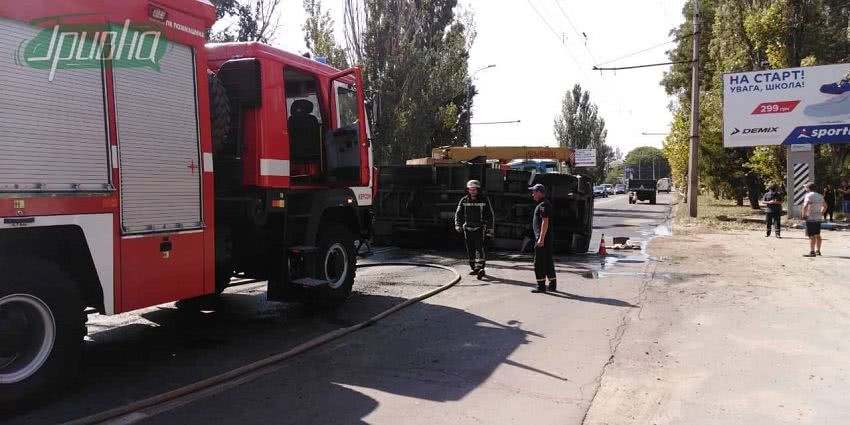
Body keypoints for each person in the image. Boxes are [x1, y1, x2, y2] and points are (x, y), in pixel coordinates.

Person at [454, 180, 494, 278]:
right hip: (467, 228)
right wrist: (457, 225)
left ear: (478, 190)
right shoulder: (463, 200)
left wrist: (490, 229)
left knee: (479, 248)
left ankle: (479, 268)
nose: (472, 191)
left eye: (474, 190)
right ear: (468, 190)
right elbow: (458, 214)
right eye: (470, 189)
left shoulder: (484, 200)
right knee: (470, 249)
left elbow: (490, 215)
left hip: (480, 228)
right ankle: (474, 268)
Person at [529, 184, 557, 293]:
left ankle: (541, 286)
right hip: (546, 238)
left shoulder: (543, 205)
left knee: (539, 262)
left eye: (534, 192)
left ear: (540, 192)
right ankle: (552, 284)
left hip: (542, 239)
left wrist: (541, 238)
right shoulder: (544, 204)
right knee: (548, 261)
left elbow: (545, 222)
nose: (533, 194)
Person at [801, 183, 827, 257]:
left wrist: (803, 215)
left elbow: (805, 206)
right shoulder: (820, 196)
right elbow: (825, 206)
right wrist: (821, 213)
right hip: (818, 218)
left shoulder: (808, 195)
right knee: (817, 234)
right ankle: (818, 250)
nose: (805, 189)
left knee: (811, 236)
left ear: (808, 188)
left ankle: (812, 252)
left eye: (805, 187)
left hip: (810, 218)